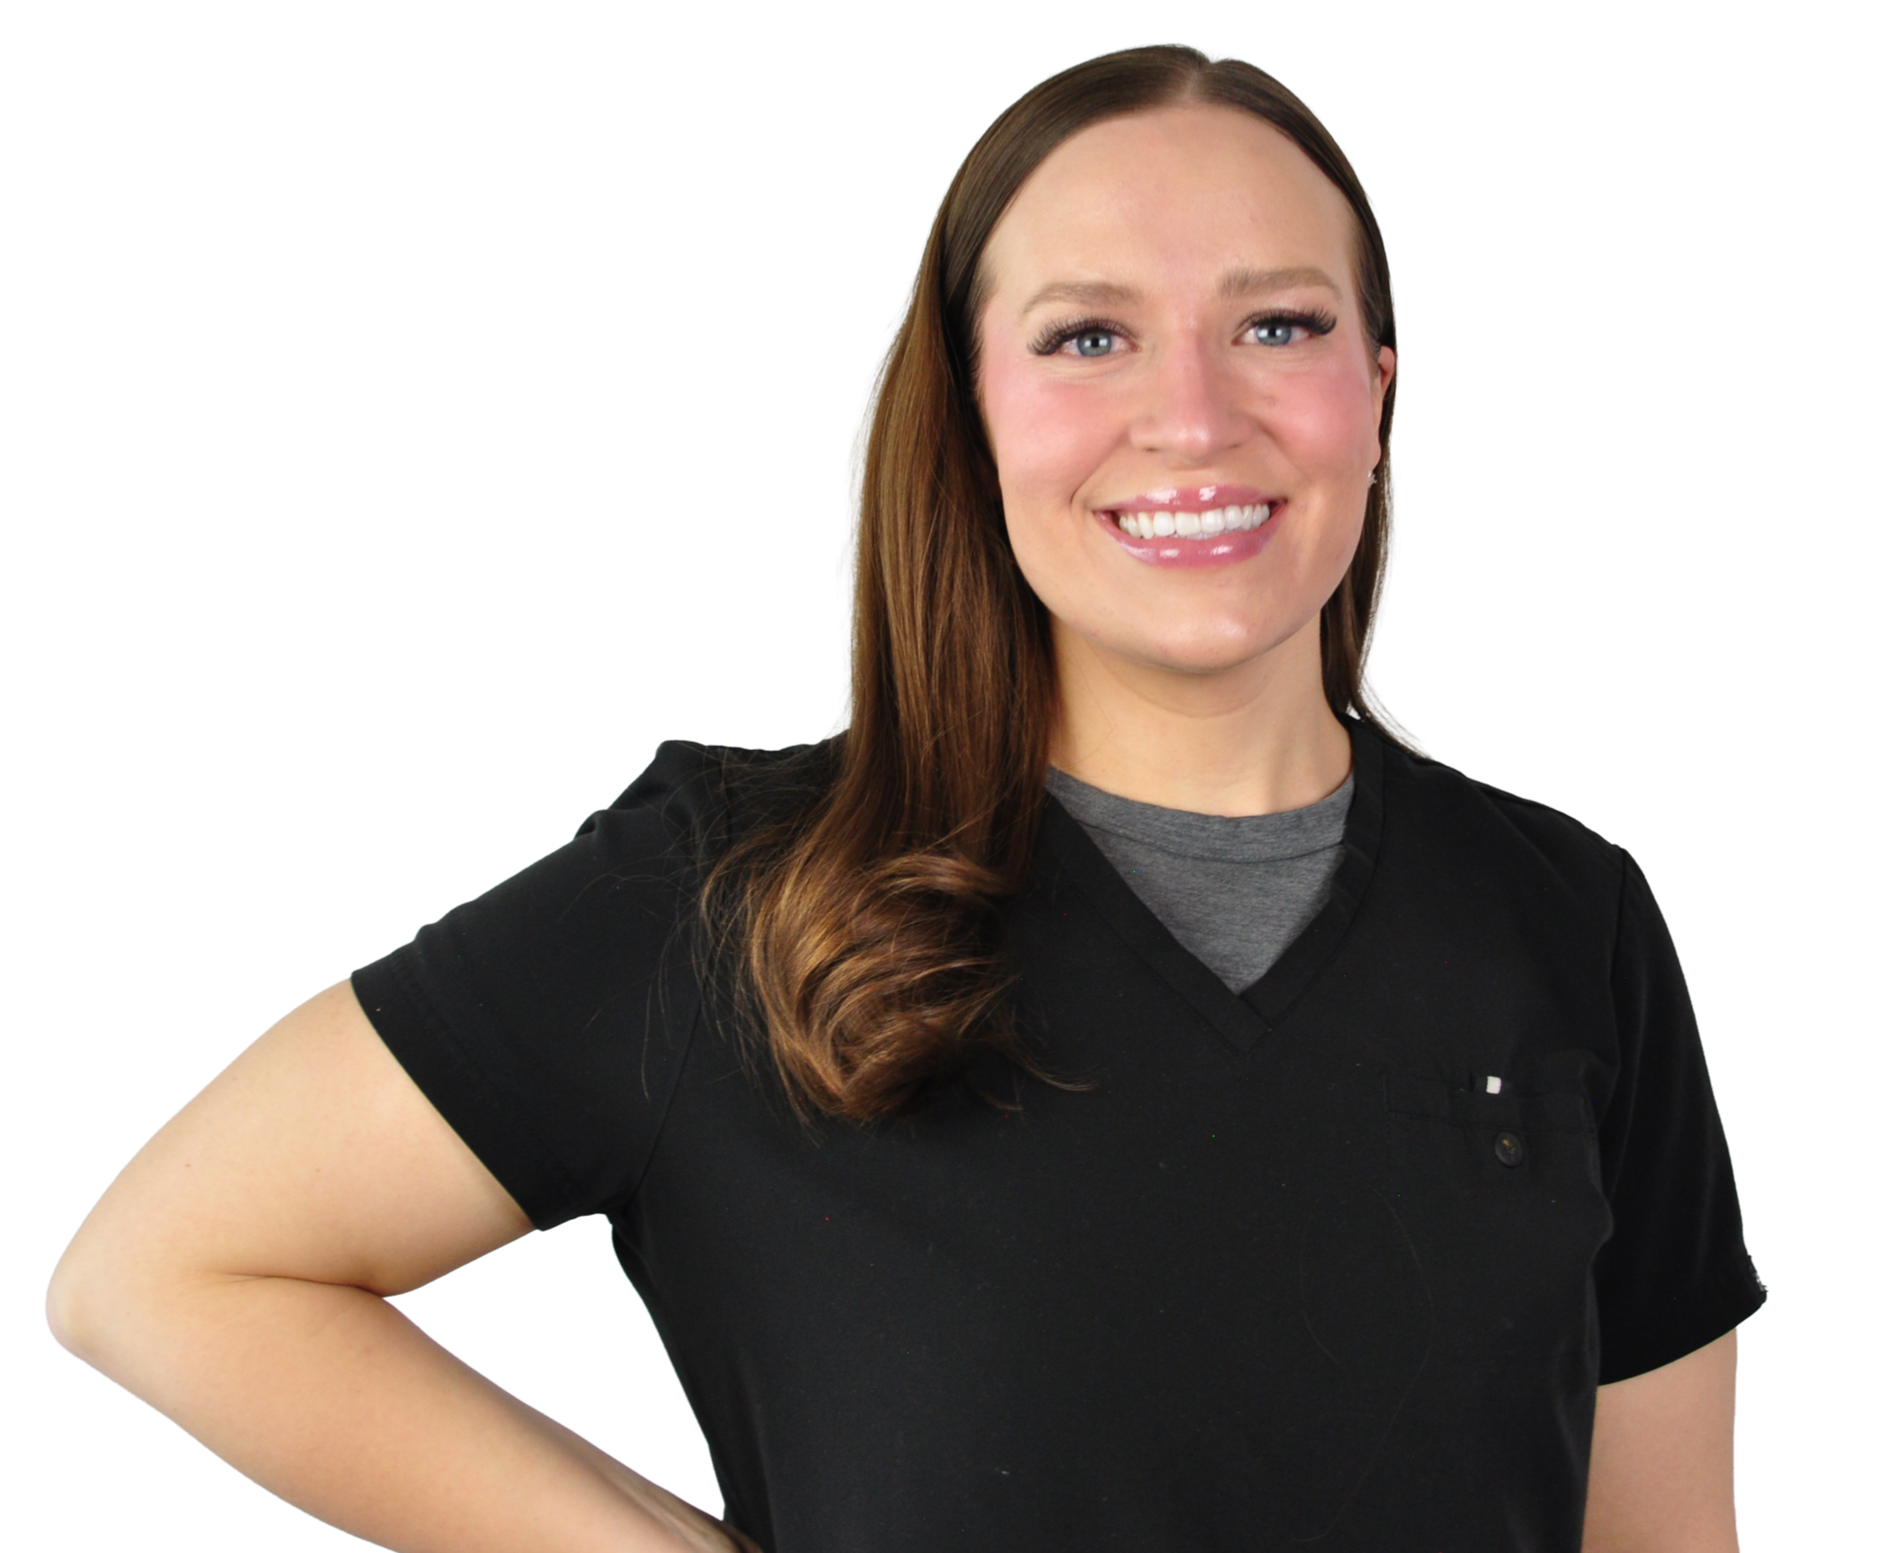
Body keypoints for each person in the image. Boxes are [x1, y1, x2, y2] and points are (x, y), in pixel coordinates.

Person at [46, 41, 1761, 1552]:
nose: (1192, 415)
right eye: (1089, 334)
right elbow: (168, 1271)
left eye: (1280, 323)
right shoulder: (726, 896)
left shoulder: (1571, 922)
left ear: (1376, 388)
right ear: (971, 407)